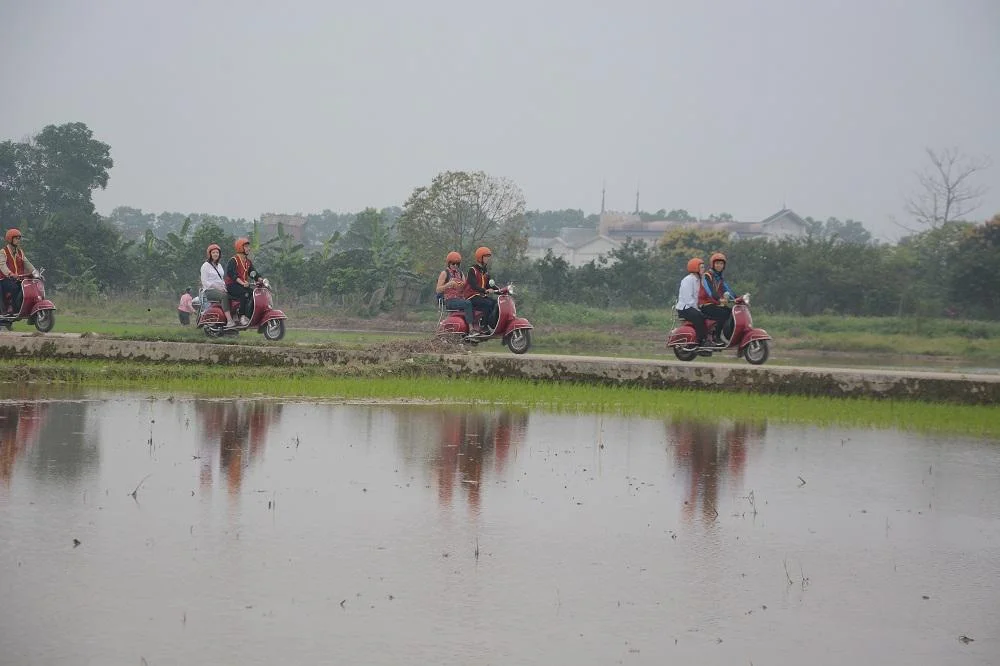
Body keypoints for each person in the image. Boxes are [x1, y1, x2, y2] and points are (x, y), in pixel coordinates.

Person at [675, 257, 715, 347]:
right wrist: (698, 310)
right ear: (695, 268)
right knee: (700, 317)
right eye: (701, 267)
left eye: (703, 267)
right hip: (685, 308)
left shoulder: (699, 280)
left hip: (693, 307)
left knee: (710, 314)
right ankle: (701, 340)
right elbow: (688, 299)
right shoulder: (688, 280)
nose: (703, 269)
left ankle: (711, 338)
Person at [699, 251, 736, 343]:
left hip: (715, 304)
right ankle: (716, 337)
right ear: (713, 264)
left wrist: (738, 299)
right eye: (717, 263)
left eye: (721, 263)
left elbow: (728, 290)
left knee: (732, 312)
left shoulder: (720, 279)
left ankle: (727, 335)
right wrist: (719, 299)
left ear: (724, 265)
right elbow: (710, 291)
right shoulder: (707, 276)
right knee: (723, 313)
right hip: (705, 304)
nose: (719, 265)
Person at [436, 251, 476, 334]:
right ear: (449, 263)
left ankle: (478, 326)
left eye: (457, 264)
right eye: (453, 264)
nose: (455, 266)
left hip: (460, 299)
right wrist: (448, 284)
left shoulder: (461, 274)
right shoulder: (444, 273)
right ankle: (471, 328)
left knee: (474, 302)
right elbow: (438, 289)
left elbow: (466, 287)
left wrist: (463, 286)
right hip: (450, 300)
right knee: (467, 303)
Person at [463, 246, 498, 335]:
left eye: (488, 257)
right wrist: (485, 291)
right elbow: (474, 285)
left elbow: (490, 285)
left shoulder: (485, 271)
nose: (488, 259)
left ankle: (491, 323)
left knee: (495, 303)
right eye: (486, 257)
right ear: (480, 257)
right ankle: (483, 326)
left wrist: (501, 290)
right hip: (471, 296)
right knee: (487, 303)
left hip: (480, 296)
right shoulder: (472, 270)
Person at [0, 229, 37, 315]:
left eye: (19, 238)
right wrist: (10, 274)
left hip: (18, 279)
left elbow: (28, 264)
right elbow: (2, 265)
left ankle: (23, 308)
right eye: (16, 238)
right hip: (4, 279)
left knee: (28, 288)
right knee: (14, 288)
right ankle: (11, 307)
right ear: (10, 239)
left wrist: (35, 272)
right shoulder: (3, 252)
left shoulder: (20, 252)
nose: (18, 240)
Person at [225, 237, 259, 326]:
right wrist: (243, 283)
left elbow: (254, 273)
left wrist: (261, 280)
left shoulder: (248, 262)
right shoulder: (234, 260)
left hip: (243, 285)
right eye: (246, 246)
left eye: (248, 247)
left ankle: (249, 316)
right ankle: (241, 316)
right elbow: (232, 274)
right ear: (240, 247)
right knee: (244, 294)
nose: (249, 248)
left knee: (254, 294)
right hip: (232, 285)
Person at [201, 243, 236, 328]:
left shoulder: (219, 266)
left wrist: (225, 287)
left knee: (234, 295)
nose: (216, 254)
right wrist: (218, 288)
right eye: (213, 252)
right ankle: (229, 320)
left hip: (221, 289)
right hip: (209, 291)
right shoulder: (205, 266)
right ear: (210, 254)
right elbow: (205, 282)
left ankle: (236, 318)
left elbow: (221, 279)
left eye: (217, 252)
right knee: (224, 296)